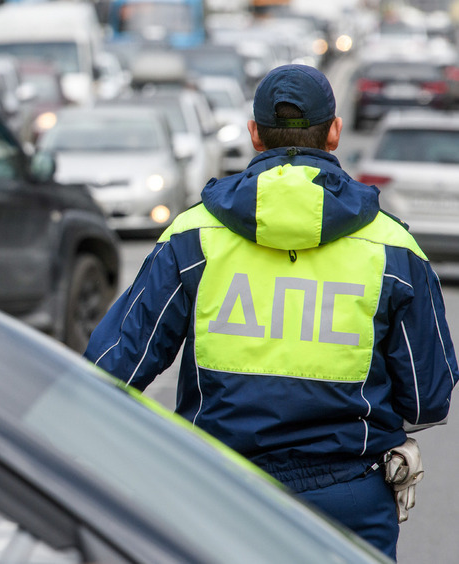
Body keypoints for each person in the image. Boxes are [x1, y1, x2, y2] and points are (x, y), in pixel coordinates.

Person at [83, 64, 458, 561]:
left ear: (254, 135)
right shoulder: (393, 249)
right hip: (348, 504)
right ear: (335, 132)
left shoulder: (193, 238)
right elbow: (427, 400)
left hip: (220, 496)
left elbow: (109, 372)